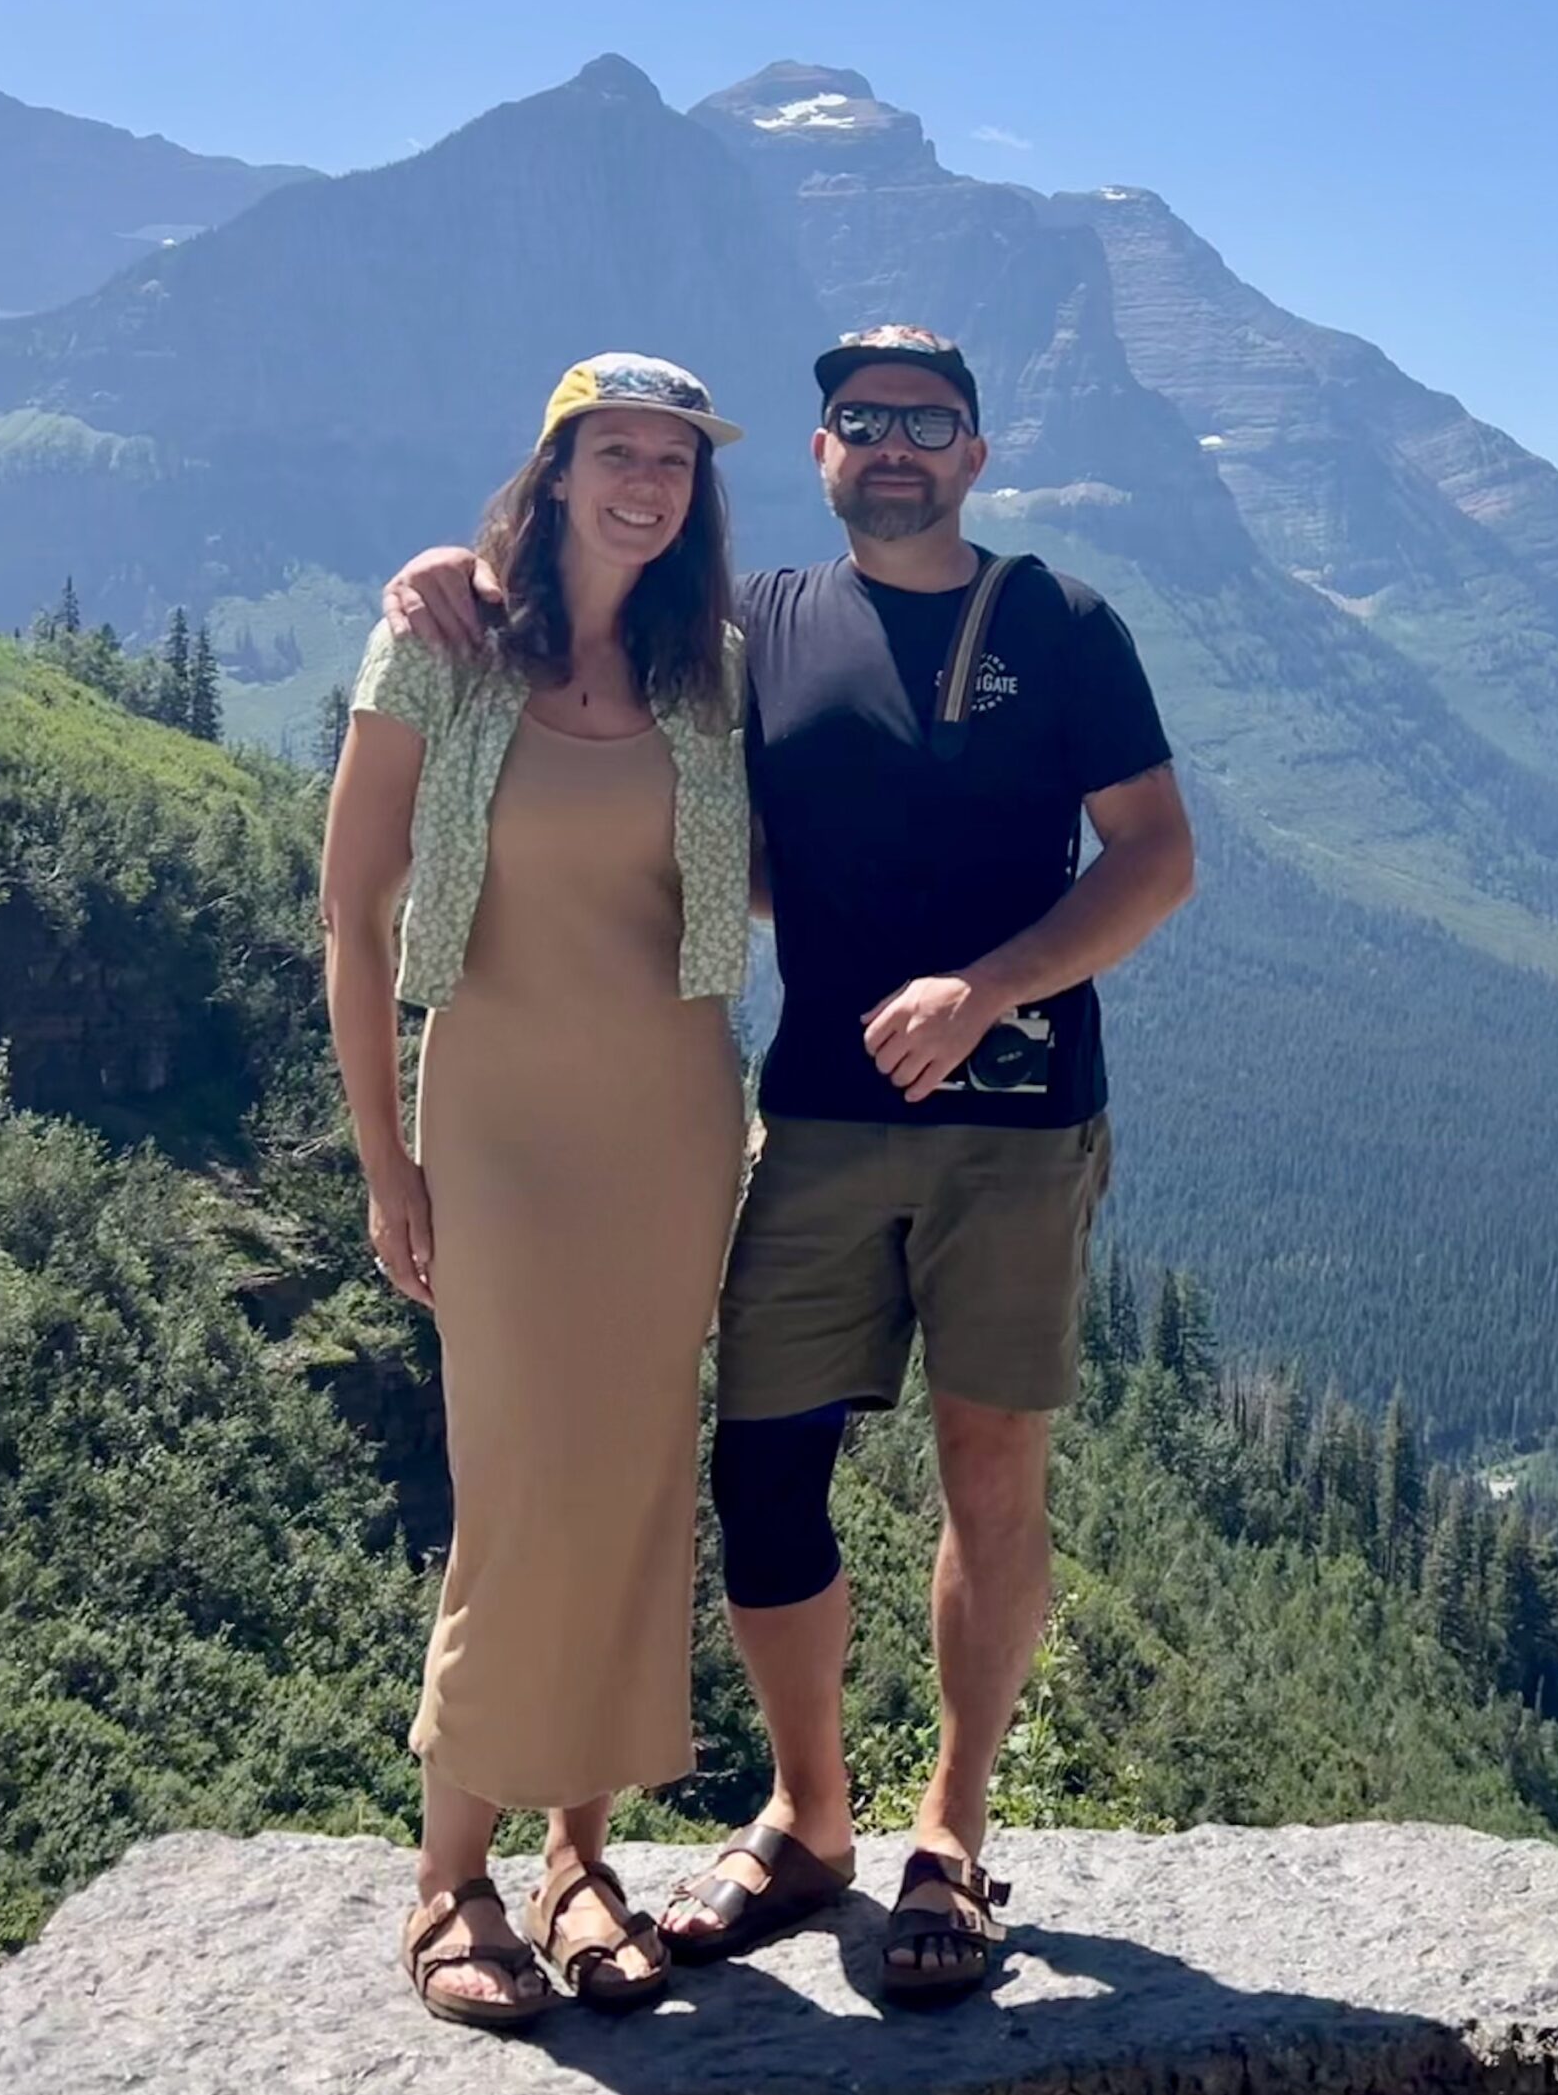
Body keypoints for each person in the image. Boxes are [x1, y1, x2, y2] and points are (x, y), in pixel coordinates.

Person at [383, 324, 1194, 2005]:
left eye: (926, 422)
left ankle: (950, 1832)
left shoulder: (1060, 623)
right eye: (858, 421)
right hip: (815, 1113)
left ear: (977, 453)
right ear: (820, 455)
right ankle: (810, 1816)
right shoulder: (745, 637)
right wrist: (451, 573)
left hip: (1021, 1125)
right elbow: (602, 662)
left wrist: (991, 986)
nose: (891, 445)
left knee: (989, 1470)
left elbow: (1158, 855)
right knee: (762, 1471)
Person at [325, 354, 752, 2031]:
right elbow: (354, 912)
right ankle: (451, 1874)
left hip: (673, 1120)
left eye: (675, 460)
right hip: (492, 1120)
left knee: (637, 1475)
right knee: (514, 1486)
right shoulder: (436, 642)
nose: (648, 481)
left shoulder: (711, 673)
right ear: (560, 468)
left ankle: (582, 1859)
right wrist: (385, 1155)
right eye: (618, 453)